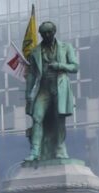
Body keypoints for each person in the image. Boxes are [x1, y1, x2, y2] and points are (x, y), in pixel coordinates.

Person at [24, 21, 78, 162]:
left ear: (54, 32)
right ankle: (35, 151)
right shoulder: (35, 51)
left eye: (49, 32)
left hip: (60, 87)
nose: (47, 35)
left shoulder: (66, 47)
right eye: (43, 33)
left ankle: (60, 148)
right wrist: (28, 93)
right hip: (43, 88)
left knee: (59, 119)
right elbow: (31, 74)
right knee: (37, 117)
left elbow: (75, 66)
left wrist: (59, 65)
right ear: (40, 34)